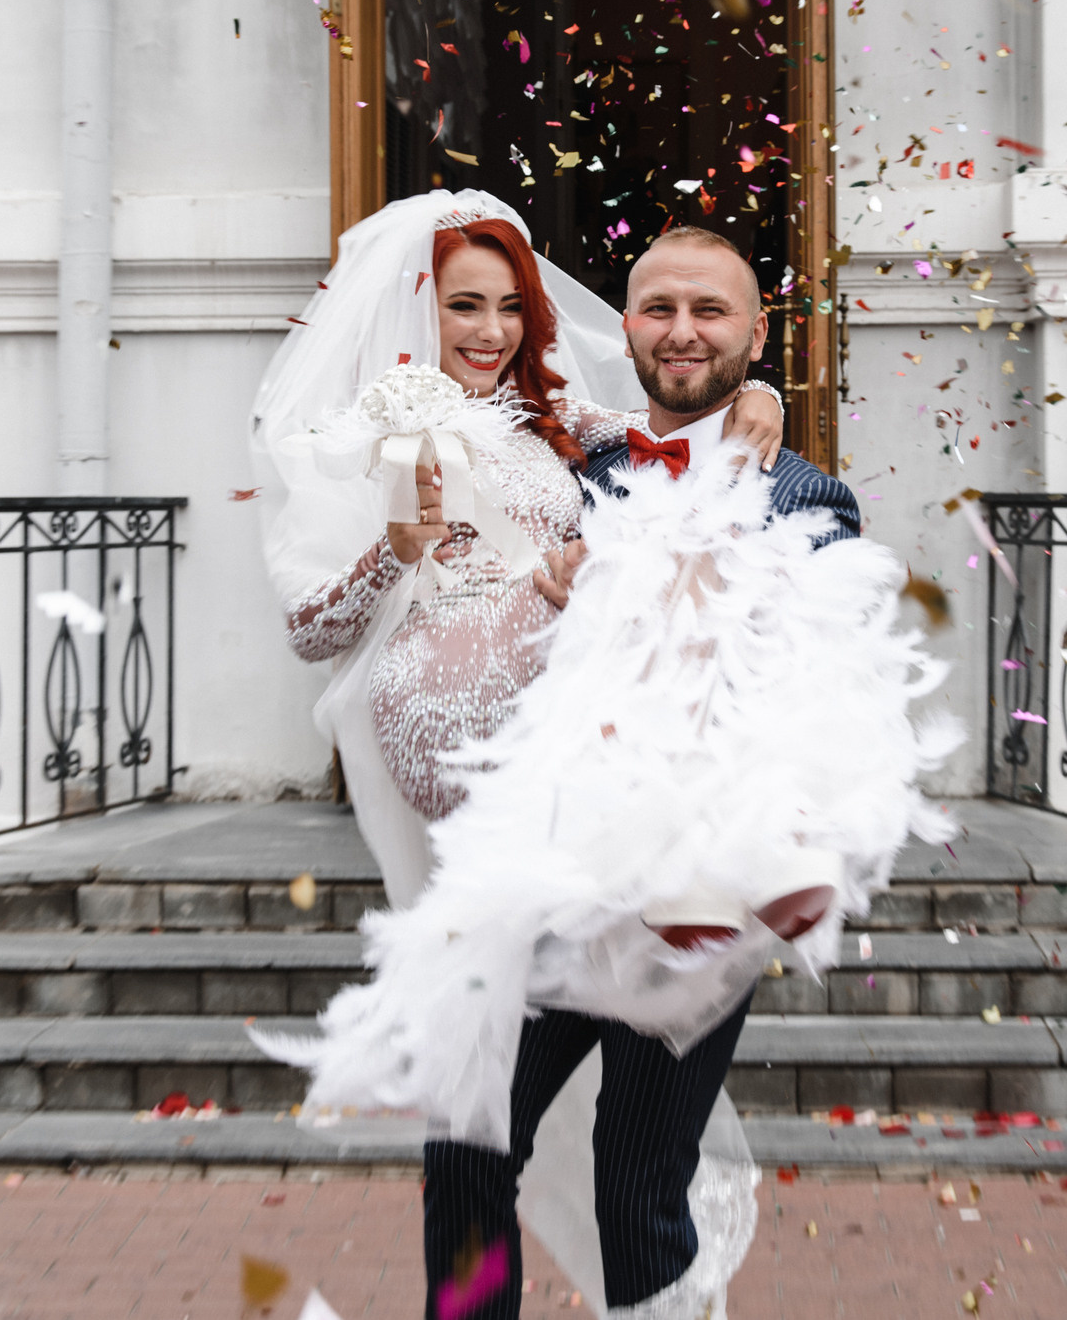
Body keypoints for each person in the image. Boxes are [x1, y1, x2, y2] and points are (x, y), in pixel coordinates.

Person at [407, 224, 901, 1320]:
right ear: (623, 326)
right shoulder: (581, 469)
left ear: (756, 331)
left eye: (710, 311)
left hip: (691, 892)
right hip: (552, 881)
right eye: (659, 308)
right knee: (466, 1140)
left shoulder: (809, 499)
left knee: (637, 1183)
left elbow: (788, 682)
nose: (682, 332)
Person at [264, 192, 781, 903]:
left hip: (563, 710)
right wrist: (394, 551)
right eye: (466, 305)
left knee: (567, 938)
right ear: (419, 307)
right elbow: (309, 632)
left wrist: (759, 394)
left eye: (510, 306)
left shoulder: (544, 416)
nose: (492, 330)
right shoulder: (353, 443)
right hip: (441, 717)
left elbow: (671, 420)